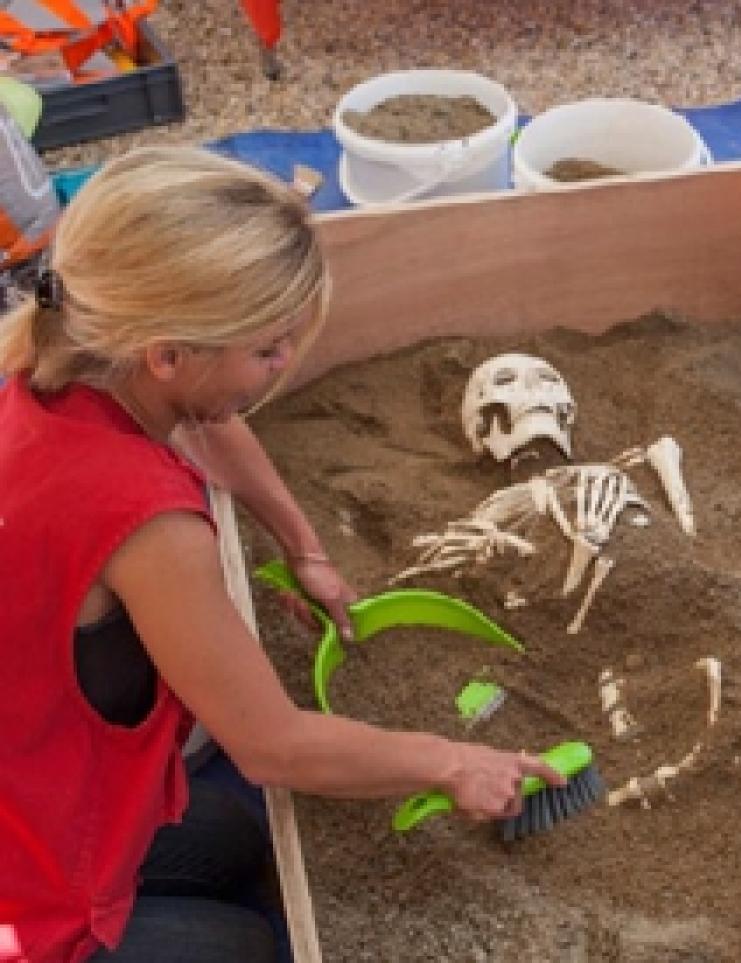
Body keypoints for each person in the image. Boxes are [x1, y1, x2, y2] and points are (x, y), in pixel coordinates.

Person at [0, 147, 563, 963]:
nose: (279, 371)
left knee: (231, 836)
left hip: (36, 760)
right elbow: (271, 744)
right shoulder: (149, 524)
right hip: (24, 873)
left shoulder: (61, 359)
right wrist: (451, 762)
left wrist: (304, 546)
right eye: (268, 350)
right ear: (170, 354)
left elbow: (205, 413)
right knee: (244, 947)